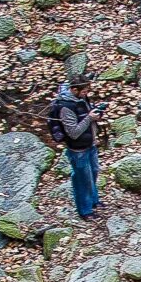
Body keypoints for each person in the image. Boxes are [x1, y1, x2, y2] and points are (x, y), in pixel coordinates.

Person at [47, 78, 102, 219]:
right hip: (78, 150)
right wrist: (89, 118)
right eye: (84, 91)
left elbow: (87, 118)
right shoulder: (66, 108)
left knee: (94, 173)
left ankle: (94, 200)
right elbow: (74, 133)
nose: (86, 93)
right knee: (82, 180)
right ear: (74, 90)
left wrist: (96, 114)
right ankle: (85, 211)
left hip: (90, 144)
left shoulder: (82, 99)